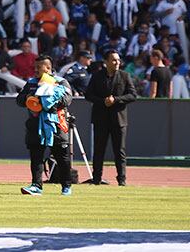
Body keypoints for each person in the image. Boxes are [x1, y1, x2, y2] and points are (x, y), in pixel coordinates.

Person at [15, 55, 74, 196]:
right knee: (36, 157)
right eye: (34, 67)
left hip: (56, 126)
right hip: (35, 126)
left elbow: (67, 100)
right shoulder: (31, 83)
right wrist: (29, 98)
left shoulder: (60, 82)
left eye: (38, 67)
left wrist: (45, 104)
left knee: (62, 157)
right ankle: (36, 186)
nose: (34, 70)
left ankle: (66, 185)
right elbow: (19, 100)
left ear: (48, 68)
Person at [85, 50, 138, 186]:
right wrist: (103, 101)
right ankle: (96, 179)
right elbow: (88, 95)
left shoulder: (125, 76)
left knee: (120, 151)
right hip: (100, 118)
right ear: (106, 62)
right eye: (114, 60)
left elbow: (132, 95)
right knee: (99, 150)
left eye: (118, 60)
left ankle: (122, 180)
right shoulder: (97, 76)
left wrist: (116, 100)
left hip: (119, 119)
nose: (117, 63)